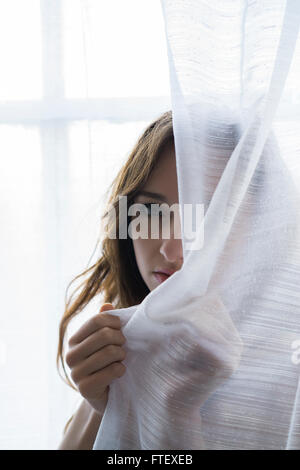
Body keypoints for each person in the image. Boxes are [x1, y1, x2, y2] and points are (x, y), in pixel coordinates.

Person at [57, 110, 184, 450]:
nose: (170, 249)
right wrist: (102, 406)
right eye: (154, 212)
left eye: (207, 219)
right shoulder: (123, 350)